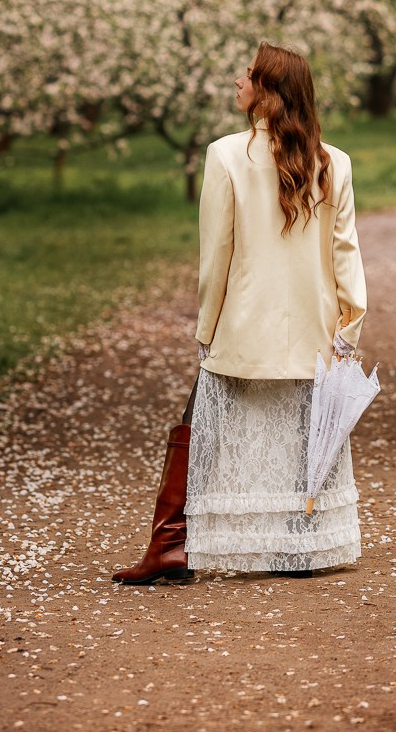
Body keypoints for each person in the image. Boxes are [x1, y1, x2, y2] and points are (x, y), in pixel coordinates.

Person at [112, 41, 368, 584]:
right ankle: (298, 547)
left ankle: (170, 546)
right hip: (315, 330)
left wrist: (206, 330)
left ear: (267, 90)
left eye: (247, 74)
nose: (237, 81)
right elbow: (346, 253)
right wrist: (349, 328)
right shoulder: (334, 162)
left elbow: (217, 255)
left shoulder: (226, 154)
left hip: (243, 329)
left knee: (197, 424)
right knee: (305, 431)